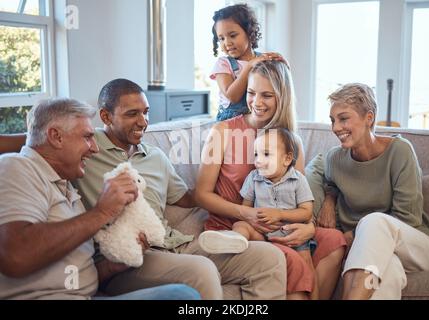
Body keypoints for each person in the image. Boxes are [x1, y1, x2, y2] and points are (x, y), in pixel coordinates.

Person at [72, 78, 287, 300]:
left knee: (269, 258)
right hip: (126, 259)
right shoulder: (87, 150)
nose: (143, 121)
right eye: (132, 114)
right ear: (105, 116)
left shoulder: (155, 156)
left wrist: (226, 183)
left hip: (173, 245)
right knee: (201, 270)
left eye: (146, 112)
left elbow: (187, 198)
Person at [0, 98, 200, 300]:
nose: (95, 148)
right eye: (87, 137)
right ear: (56, 136)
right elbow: (16, 256)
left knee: (182, 295)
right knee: (181, 297)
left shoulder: (66, 186)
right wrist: (102, 212)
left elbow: (76, 272)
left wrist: (114, 265)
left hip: (89, 295)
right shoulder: (16, 167)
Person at [195, 60, 346, 300]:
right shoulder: (222, 132)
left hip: (280, 224)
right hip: (235, 227)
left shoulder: (291, 142)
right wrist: (246, 215)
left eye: (267, 95)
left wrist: (307, 228)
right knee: (294, 261)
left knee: (336, 240)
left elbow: (300, 197)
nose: (256, 102)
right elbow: (201, 195)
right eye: (252, 93)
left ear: (281, 98)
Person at [317, 83, 429, 299]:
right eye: (332, 120)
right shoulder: (334, 159)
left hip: (416, 248)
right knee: (385, 274)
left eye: (343, 118)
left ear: (369, 118)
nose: (336, 127)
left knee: (373, 222)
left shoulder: (400, 152)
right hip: (371, 255)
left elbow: (409, 218)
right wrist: (329, 199)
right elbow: (331, 183)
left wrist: (355, 234)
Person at [199, 127, 319, 299]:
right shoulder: (254, 178)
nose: (258, 161)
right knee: (240, 224)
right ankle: (234, 240)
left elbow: (306, 213)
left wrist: (280, 214)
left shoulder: (298, 180)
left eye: (266, 154)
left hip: (292, 235)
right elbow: (246, 209)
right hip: (263, 234)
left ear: (287, 159)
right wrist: (252, 219)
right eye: (256, 155)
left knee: (306, 268)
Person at [211, 3, 286, 121]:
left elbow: (282, 89)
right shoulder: (223, 64)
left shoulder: (263, 60)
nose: (227, 42)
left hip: (259, 118)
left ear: (249, 32)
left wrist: (283, 65)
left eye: (232, 35)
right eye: (221, 38)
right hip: (231, 122)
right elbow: (232, 96)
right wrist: (250, 65)